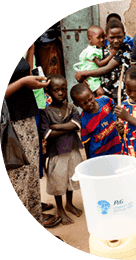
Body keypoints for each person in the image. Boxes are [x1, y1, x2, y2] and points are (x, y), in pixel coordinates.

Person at [5, 57, 53, 226]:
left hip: (26, 118)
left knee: (32, 176)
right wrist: (24, 82)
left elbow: (23, 70)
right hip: (11, 126)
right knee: (19, 180)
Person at [40, 74, 83, 225]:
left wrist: (57, 126)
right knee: (58, 182)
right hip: (56, 153)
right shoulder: (46, 111)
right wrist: (68, 127)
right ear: (48, 92)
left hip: (72, 149)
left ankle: (69, 204)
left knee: (72, 178)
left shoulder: (71, 107)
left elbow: (77, 125)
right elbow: (47, 134)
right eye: (56, 90)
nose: (60, 93)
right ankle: (60, 209)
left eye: (63, 89)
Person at [75, 19, 131, 104]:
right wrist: (83, 76)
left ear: (124, 35)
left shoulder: (125, 49)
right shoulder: (103, 49)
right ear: (106, 37)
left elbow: (106, 69)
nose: (116, 40)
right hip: (104, 93)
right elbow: (92, 65)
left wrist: (83, 73)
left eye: (119, 37)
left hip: (119, 94)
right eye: (112, 37)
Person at [71, 83, 121, 158]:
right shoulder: (84, 120)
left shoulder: (105, 100)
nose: (89, 103)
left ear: (92, 92)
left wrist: (116, 122)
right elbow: (86, 142)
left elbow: (114, 108)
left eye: (90, 99)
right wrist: (89, 161)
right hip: (99, 154)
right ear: (77, 104)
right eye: (84, 103)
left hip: (116, 146)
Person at [73, 25, 116, 96]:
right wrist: (111, 55)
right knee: (100, 92)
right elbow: (100, 64)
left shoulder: (96, 49)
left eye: (103, 36)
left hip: (93, 76)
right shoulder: (92, 51)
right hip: (92, 77)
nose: (102, 39)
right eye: (98, 37)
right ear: (90, 39)